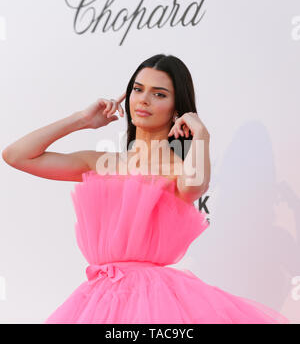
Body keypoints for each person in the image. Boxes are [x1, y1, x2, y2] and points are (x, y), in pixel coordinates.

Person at [2, 54, 290, 324]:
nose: (144, 100)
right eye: (138, 90)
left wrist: (201, 134)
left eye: (159, 94)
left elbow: (193, 187)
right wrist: (82, 120)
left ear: (177, 108)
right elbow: (16, 155)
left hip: (155, 301)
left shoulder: (178, 169)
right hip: (99, 298)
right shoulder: (102, 163)